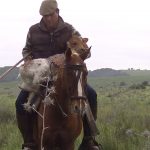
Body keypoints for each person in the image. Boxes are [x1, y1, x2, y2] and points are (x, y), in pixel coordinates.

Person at [15, 0, 100, 149]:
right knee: (20, 102)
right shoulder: (33, 30)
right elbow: (26, 50)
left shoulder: (69, 30)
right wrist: (28, 60)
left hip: (65, 75)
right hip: (40, 76)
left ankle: (88, 140)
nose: (47, 18)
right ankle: (29, 142)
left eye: (50, 14)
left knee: (91, 94)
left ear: (57, 12)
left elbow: (84, 51)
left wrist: (63, 57)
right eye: (45, 15)